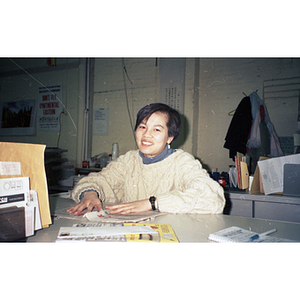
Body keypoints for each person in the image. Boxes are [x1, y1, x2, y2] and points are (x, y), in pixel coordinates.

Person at [67, 103, 225, 216]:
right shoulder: (129, 160)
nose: (146, 135)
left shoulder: (182, 161)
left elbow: (213, 198)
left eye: (157, 129)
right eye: (142, 127)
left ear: (169, 137)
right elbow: (98, 180)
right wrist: (89, 194)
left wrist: (152, 203)